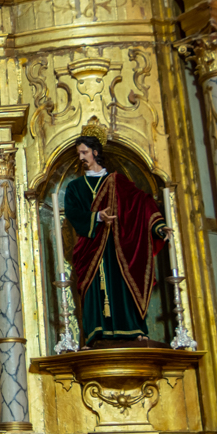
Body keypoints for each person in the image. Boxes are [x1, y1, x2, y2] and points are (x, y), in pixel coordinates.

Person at [61, 136, 167, 345]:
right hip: (91, 246)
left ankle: (132, 328)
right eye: (79, 154)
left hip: (120, 245)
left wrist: (158, 225)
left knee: (123, 280)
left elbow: (141, 202)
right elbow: (73, 213)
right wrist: (98, 217)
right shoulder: (75, 187)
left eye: (84, 152)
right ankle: (97, 332)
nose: (81, 157)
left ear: (95, 152)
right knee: (94, 287)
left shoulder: (118, 181)